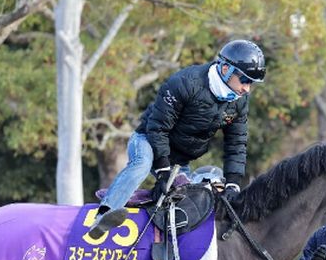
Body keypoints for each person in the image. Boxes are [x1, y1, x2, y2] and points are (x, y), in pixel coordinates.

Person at [88, 39, 266, 239]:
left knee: (190, 196)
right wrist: (163, 170)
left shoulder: (239, 102)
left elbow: (236, 144)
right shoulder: (185, 82)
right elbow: (158, 128)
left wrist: (233, 184)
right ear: (226, 69)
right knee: (142, 165)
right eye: (244, 80)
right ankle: (104, 214)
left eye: (251, 83)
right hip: (147, 140)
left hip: (178, 161)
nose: (247, 88)